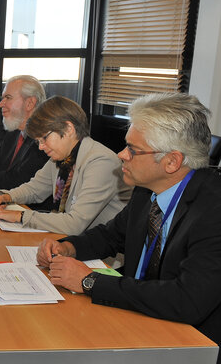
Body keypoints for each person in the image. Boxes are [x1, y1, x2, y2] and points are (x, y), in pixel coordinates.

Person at [37, 93, 221, 357]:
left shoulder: (213, 209)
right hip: (139, 321)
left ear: (172, 161)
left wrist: (89, 281)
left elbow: (187, 300)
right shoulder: (147, 191)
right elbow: (110, 237)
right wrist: (67, 247)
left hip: (191, 344)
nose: (121, 155)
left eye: (133, 150)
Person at [0, 96, 127, 234]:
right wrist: (7, 197)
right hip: (70, 239)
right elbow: (35, 189)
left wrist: (20, 216)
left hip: (102, 253)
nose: (41, 147)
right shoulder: (64, 157)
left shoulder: (101, 161)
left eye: (44, 138)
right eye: (38, 141)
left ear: (68, 128)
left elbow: (75, 224)